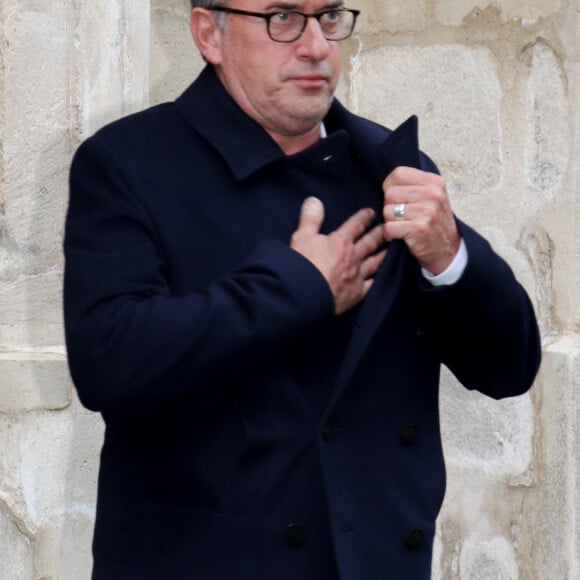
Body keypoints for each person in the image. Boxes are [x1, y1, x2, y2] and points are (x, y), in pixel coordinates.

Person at [63, 1, 541, 579]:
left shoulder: (390, 168)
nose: (316, 45)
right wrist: (299, 287)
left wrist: (452, 257)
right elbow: (108, 360)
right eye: (283, 17)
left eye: (330, 16)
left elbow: (509, 369)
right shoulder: (127, 164)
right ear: (208, 33)